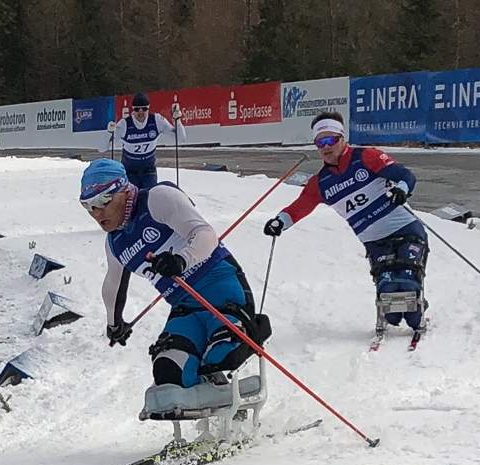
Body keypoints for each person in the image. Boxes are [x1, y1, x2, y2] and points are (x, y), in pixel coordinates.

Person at [80, 158, 261, 389]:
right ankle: (217, 408)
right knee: (168, 373)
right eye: (87, 205)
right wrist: (114, 325)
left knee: (222, 356)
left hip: (221, 288)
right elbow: (113, 284)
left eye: (103, 199)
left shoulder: (158, 199)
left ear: (124, 189)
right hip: (185, 308)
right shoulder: (115, 244)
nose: (96, 212)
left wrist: (180, 260)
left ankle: (250, 333)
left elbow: (205, 234)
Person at [262, 111, 429, 336]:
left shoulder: (366, 157)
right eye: (320, 142)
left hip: (406, 229)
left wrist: (402, 189)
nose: (326, 146)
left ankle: (417, 304)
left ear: (343, 138)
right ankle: (401, 303)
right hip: (374, 242)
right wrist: (279, 222)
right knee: (391, 302)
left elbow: (406, 175)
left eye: (331, 140)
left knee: (408, 294)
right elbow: (300, 206)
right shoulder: (320, 183)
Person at [111, 92, 186, 189]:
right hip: (130, 172)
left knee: (148, 200)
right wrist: (109, 133)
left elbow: (180, 138)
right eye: (137, 109)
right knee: (132, 202)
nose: (141, 112)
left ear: (149, 108)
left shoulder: (157, 120)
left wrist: (178, 121)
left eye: (144, 109)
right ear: (133, 110)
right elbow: (102, 148)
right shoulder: (124, 124)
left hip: (149, 172)